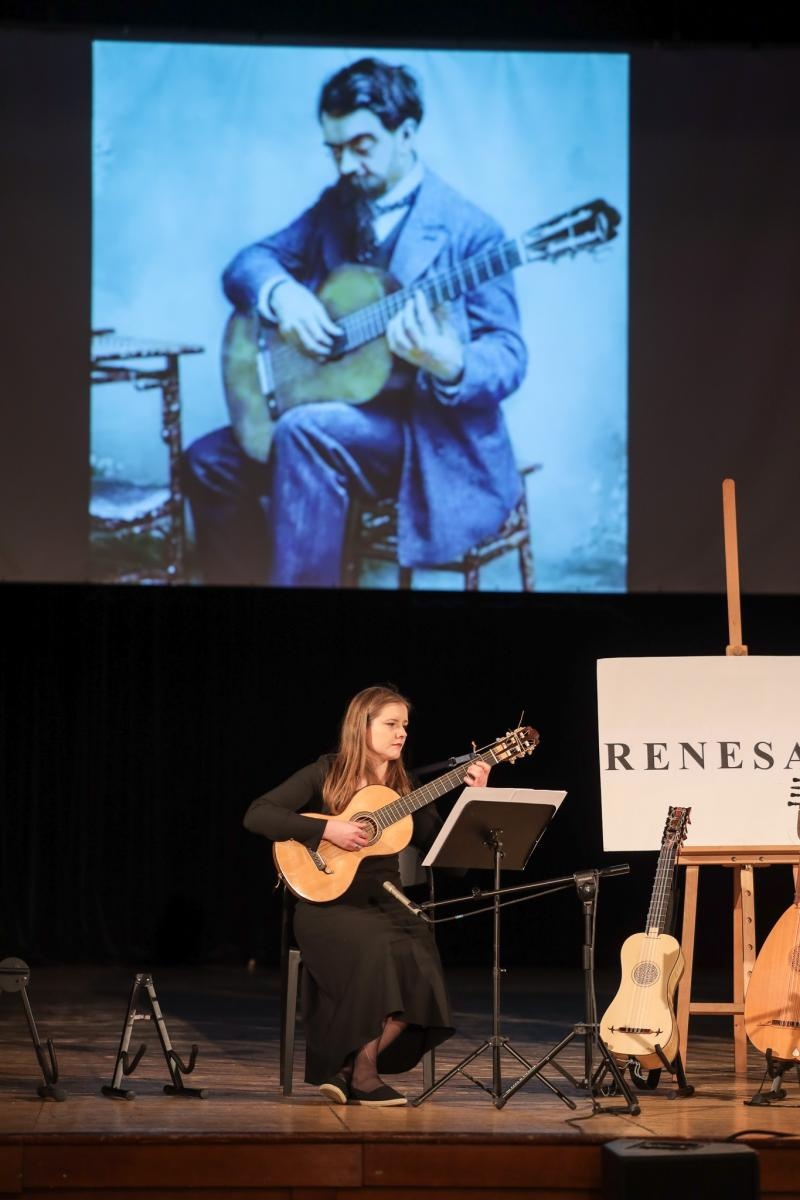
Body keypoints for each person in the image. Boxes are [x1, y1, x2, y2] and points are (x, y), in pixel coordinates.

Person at [184, 56, 527, 586]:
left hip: (425, 439)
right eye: (334, 149)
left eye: (361, 146)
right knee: (208, 461)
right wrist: (283, 295)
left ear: (405, 134)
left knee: (304, 431)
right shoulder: (336, 207)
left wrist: (450, 363)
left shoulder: (472, 231)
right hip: (333, 413)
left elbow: (508, 352)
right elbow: (247, 264)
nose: (345, 164)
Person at [242, 684, 491, 1105]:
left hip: (385, 901)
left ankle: (349, 1070)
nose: (401, 733)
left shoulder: (406, 787)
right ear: (362, 726)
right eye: (391, 724)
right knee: (377, 948)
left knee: (422, 961)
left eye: (405, 725)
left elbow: (451, 863)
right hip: (327, 905)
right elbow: (258, 814)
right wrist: (328, 828)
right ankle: (364, 1076)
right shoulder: (325, 772)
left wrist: (475, 797)